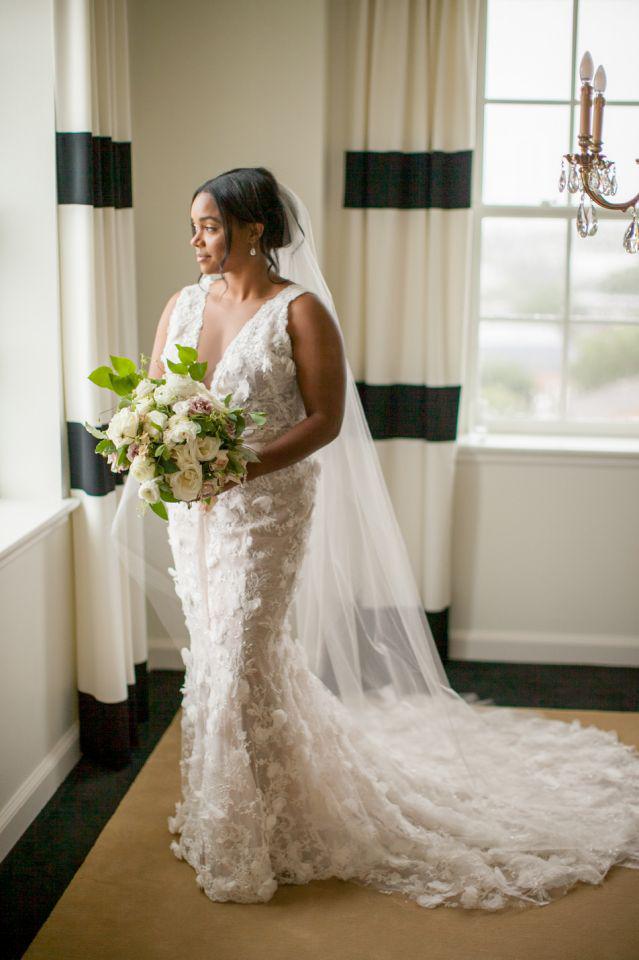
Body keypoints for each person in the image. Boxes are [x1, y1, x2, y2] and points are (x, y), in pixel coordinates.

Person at [116, 166, 639, 910]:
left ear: (253, 230)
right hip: (195, 512)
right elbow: (156, 396)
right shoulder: (182, 303)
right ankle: (246, 812)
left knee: (238, 657)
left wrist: (240, 468)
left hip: (265, 510)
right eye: (194, 226)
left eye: (208, 225)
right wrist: (163, 450)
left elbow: (324, 420)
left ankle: (246, 835)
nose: (195, 239)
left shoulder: (299, 313)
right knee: (217, 660)